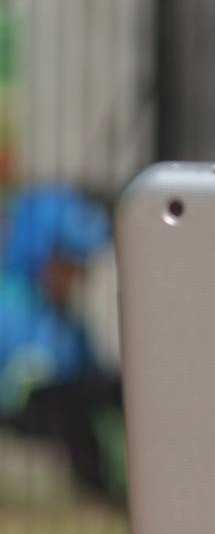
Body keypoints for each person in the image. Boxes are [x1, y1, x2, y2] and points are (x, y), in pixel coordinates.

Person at [0, 187, 122, 500]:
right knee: (71, 404)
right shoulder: (12, 305)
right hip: (20, 407)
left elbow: (84, 366)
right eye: (69, 266)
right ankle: (96, 493)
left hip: (54, 397)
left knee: (114, 388)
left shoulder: (64, 314)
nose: (76, 278)